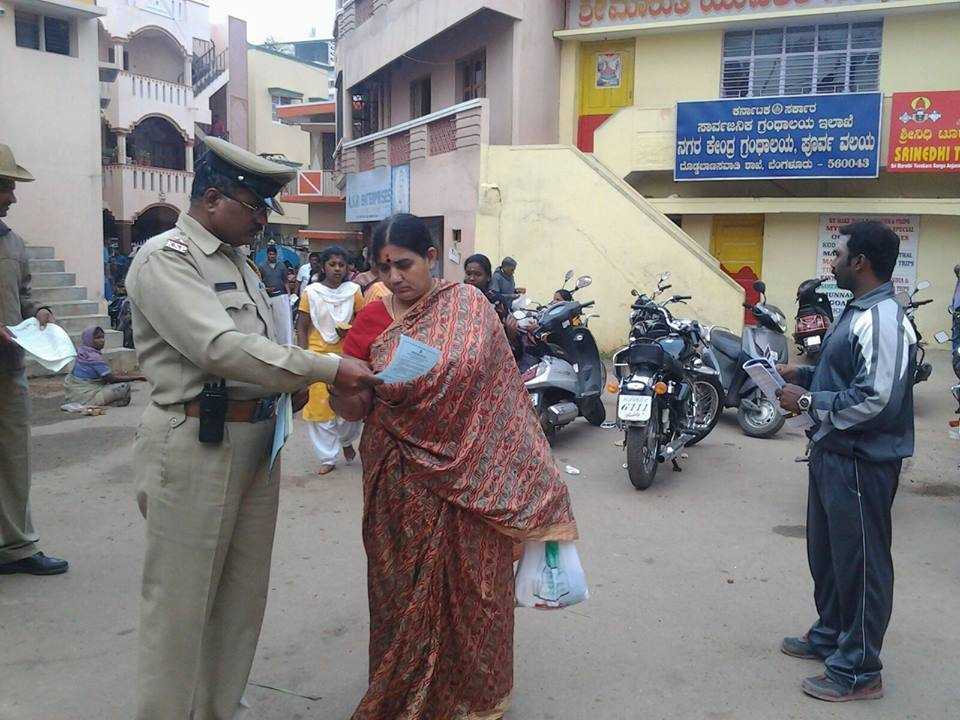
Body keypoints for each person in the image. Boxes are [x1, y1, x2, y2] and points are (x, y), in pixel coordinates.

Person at [125, 136, 380, 720]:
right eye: (253, 207)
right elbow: (218, 348)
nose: (263, 220)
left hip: (259, 440)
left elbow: (263, 348)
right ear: (212, 199)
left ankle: (218, 709)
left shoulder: (239, 262)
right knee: (181, 604)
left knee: (240, 598)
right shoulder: (168, 259)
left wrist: (294, 384)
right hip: (198, 442)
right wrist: (325, 368)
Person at [335, 213, 578, 720]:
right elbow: (352, 408)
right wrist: (343, 387)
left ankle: (475, 699)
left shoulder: (469, 306)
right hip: (399, 481)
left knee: (476, 592)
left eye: (404, 264)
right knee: (400, 591)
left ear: (430, 257)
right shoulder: (371, 320)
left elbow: (502, 395)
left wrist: (534, 475)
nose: (395, 278)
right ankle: (405, 693)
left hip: (473, 482)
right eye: (383, 268)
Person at [777, 221, 915, 703]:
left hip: (862, 461)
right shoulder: (857, 310)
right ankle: (832, 635)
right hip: (833, 452)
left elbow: (877, 399)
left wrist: (807, 402)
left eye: (837, 254)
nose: (831, 262)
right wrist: (804, 374)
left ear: (860, 262)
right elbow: (846, 373)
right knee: (830, 556)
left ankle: (859, 671)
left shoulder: (882, 318)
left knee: (861, 564)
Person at [0, 143, 68, 577]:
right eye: (6, 186)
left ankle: (16, 547)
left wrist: (38, 311)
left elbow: (23, 295)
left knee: (14, 458)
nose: (13, 196)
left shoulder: (14, 243)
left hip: (8, 370)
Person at [297, 245, 364, 475]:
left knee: (349, 406)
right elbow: (302, 326)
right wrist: (303, 356)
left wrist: (351, 331)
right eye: (332, 264)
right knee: (320, 406)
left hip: (347, 354)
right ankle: (328, 457)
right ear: (323, 266)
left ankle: (346, 441)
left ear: (347, 268)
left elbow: (362, 322)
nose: (337, 269)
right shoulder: (311, 292)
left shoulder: (354, 291)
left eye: (341, 265)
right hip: (318, 354)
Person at [63, 326, 145, 406]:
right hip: (88, 394)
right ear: (89, 340)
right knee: (124, 387)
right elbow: (111, 379)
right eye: (97, 338)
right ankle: (96, 402)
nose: (102, 340)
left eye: (102, 337)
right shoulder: (94, 357)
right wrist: (137, 378)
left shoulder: (82, 351)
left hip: (74, 393)